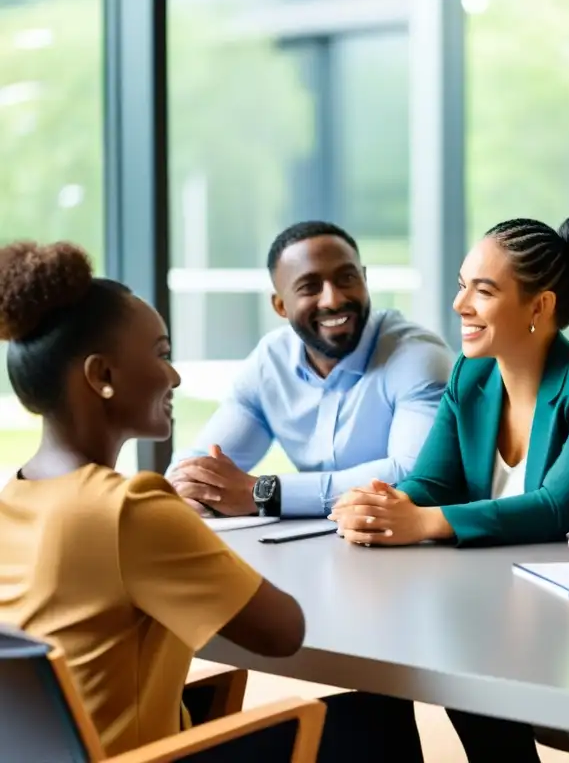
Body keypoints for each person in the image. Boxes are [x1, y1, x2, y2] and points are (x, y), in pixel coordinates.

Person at [0, 241, 425, 761]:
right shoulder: (130, 510)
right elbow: (282, 631)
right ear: (102, 377)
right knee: (378, 721)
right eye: (160, 354)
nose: (174, 376)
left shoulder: (14, 497)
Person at [331, 215, 569, 762]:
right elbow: (433, 481)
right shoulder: (470, 376)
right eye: (462, 285)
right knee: (450, 670)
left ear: (539, 306)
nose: (460, 305)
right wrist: (386, 506)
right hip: (498, 603)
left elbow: (558, 506)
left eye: (484, 290)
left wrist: (426, 522)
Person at [167, 220, 452, 518]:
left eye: (346, 279)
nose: (334, 299)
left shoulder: (416, 355)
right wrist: (189, 493)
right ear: (280, 305)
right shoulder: (270, 363)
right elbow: (199, 462)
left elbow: (413, 473)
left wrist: (266, 493)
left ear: (364, 280)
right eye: (309, 287)